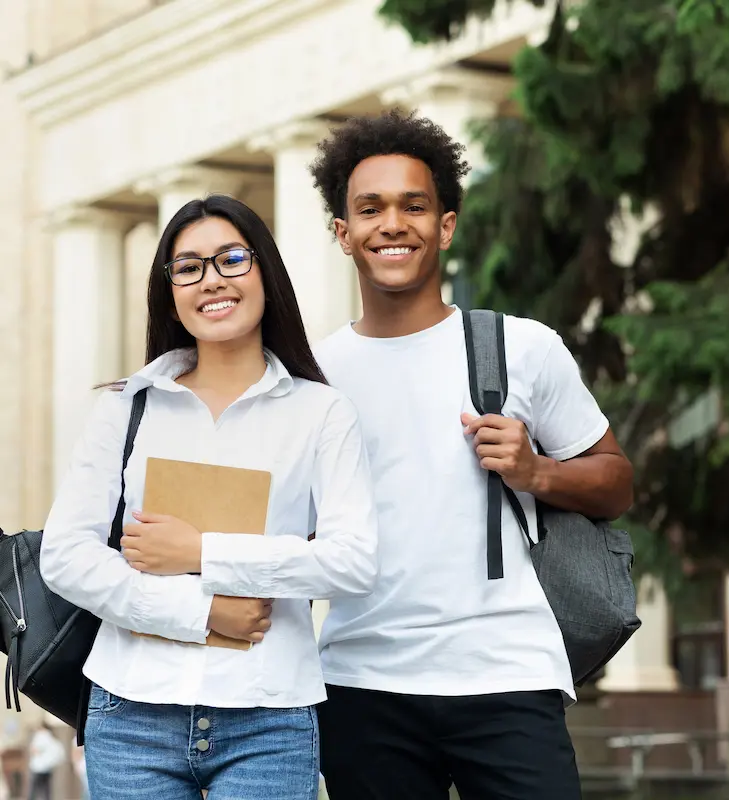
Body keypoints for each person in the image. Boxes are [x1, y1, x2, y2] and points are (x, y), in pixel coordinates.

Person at [309, 110, 634, 800]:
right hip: (364, 685)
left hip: (507, 674)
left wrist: (536, 471)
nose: (392, 223)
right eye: (370, 208)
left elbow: (617, 484)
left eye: (414, 205)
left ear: (446, 225)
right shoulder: (312, 377)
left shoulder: (522, 346)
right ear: (344, 233)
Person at [41, 194, 378, 800]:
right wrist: (202, 615)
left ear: (265, 273)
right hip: (131, 712)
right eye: (188, 266)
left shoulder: (321, 412)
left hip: (268, 717)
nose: (211, 280)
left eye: (230, 259)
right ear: (169, 290)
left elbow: (352, 561)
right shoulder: (126, 407)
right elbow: (65, 556)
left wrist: (202, 551)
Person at [27, 721, 64, 800]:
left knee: (33, 790)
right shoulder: (52, 738)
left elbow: (33, 749)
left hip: (37, 768)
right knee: (46, 790)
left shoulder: (40, 735)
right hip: (48, 768)